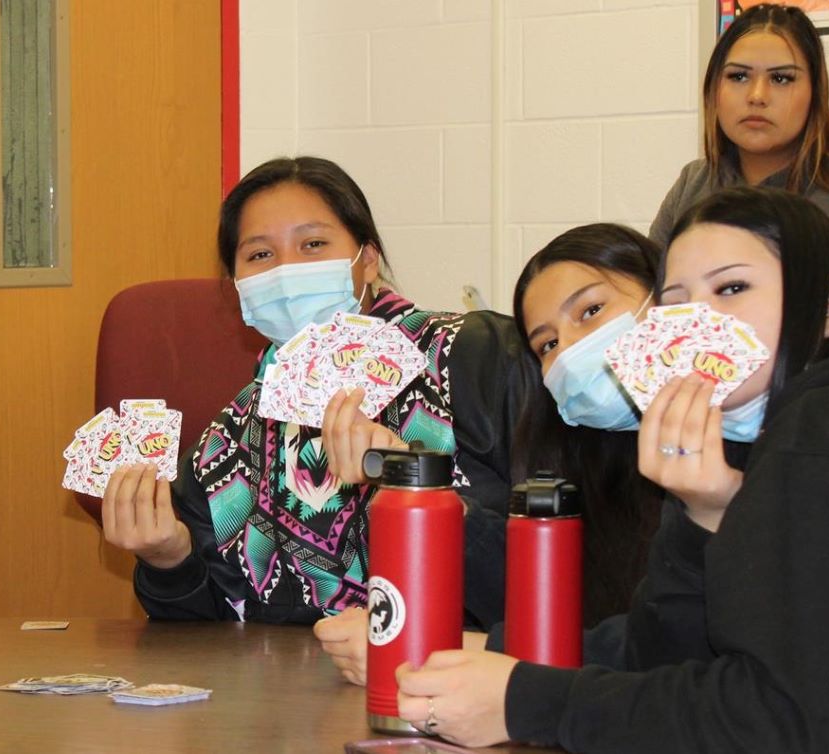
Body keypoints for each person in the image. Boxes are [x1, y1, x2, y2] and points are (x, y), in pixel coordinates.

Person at [388, 186, 829, 751]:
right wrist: (707, 515)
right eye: (677, 305)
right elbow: (665, 655)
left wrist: (526, 703)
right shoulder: (774, 435)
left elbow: (777, 721)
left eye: (731, 288)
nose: (698, 323)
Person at [100, 156, 531, 628]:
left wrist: (420, 491)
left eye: (313, 244)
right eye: (260, 255)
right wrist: (170, 559)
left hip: (461, 683)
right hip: (289, 695)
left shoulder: (475, 359)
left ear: (367, 261)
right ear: (238, 286)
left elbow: (559, 580)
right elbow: (211, 635)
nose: (287, 272)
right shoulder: (227, 441)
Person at [316, 225, 741, 683]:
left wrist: (430, 647)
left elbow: (665, 652)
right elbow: (544, 599)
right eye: (548, 344)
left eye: (591, 311)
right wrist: (413, 481)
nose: (573, 350)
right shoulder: (586, 466)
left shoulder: (746, 445)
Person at [650, 3, 829, 337]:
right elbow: (647, 306)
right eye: (738, 76)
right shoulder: (694, 184)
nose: (757, 96)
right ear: (714, 89)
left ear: (815, 93)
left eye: (782, 78)